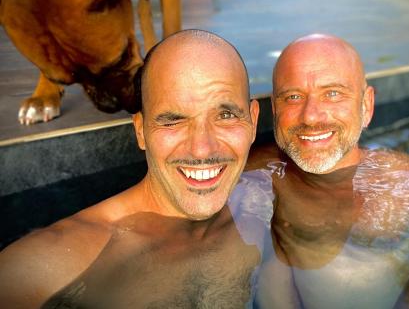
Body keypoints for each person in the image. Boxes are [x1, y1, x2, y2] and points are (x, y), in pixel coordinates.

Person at [0, 29, 263, 308]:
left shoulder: (263, 203)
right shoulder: (50, 265)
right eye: (173, 120)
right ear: (140, 132)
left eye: (225, 115)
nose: (202, 149)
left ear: (254, 122)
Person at [249, 34, 409, 309]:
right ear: (275, 108)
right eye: (294, 96)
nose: (311, 116)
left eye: (332, 93)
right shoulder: (261, 171)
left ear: (366, 105)